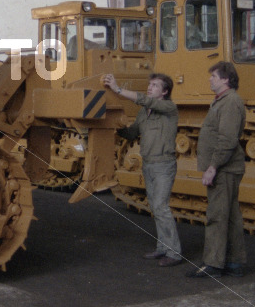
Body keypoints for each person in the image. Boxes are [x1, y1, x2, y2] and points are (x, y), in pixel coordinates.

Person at [103, 72, 183, 267]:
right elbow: (132, 134)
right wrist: (117, 127)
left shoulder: (169, 108)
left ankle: (174, 253)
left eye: (155, 85)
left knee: (161, 207)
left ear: (164, 92)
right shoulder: (143, 113)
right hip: (148, 164)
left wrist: (118, 89)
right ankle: (162, 248)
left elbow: (145, 100)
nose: (150, 87)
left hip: (164, 165)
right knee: (156, 208)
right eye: (150, 84)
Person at [188, 61, 247, 279]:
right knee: (231, 216)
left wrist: (212, 167)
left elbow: (227, 139)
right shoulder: (223, 101)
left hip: (224, 168)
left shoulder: (229, 102)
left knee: (217, 215)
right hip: (227, 167)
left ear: (225, 79)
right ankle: (234, 262)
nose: (209, 79)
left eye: (213, 76)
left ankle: (213, 263)